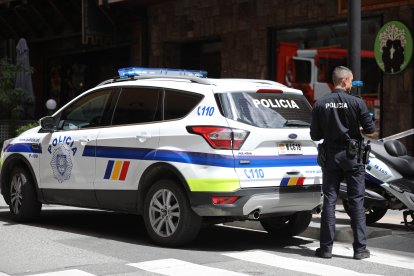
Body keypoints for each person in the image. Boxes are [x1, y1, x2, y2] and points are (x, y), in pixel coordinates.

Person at [310, 66, 377, 260]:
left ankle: (325, 249)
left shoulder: (320, 103)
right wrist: (356, 128)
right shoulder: (357, 103)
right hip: (353, 156)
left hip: (331, 155)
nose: (350, 84)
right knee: (356, 201)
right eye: (351, 81)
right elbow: (371, 130)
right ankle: (360, 250)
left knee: (330, 200)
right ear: (346, 81)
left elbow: (315, 134)